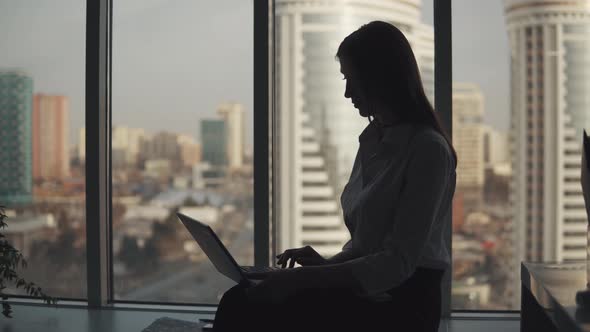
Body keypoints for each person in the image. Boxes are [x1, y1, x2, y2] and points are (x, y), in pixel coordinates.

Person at [212, 21, 457, 332]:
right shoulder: (373, 141)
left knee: (245, 303)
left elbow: (397, 262)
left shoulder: (427, 150)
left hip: (403, 305)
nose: (346, 92)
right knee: (245, 295)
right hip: (373, 292)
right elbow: (367, 244)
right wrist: (326, 266)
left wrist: (304, 279)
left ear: (380, 78)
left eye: (352, 80)